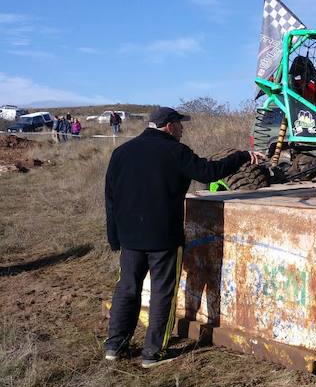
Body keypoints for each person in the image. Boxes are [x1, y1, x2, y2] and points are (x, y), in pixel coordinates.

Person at [104, 106, 266, 368]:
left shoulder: (121, 153)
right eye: (180, 125)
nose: (183, 130)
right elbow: (208, 172)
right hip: (164, 238)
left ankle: (114, 345)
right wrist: (242, 156)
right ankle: (151, 353)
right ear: (169, 126)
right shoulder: (174, 151)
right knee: (162, 293)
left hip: (129, 238)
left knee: (127, 288)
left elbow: (110, 199)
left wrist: (114, 237)